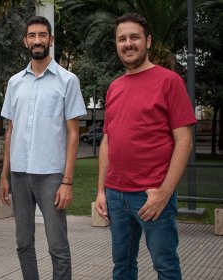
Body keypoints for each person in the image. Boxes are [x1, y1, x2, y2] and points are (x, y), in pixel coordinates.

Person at [95, 13, 196, 280]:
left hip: (151, 195)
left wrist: (164, 193)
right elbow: (108, 140)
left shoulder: (169, 81)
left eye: (134, 37)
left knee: (166, 267)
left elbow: (184, 140)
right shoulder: (114, 87)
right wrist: (101, 191)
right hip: (116, 195)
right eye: (121, 39)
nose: (128, 44)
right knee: (122, 267)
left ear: (148, 41)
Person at [0, 16, 86, 280]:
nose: (37, 40)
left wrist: (67, 181)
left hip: (51, 176)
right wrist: (4, 175)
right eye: (32, 35)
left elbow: (73, 134)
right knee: (23, 243)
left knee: (57, 246)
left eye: (42, 35)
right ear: (25, 40)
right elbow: (10, 130)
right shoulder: (15, 83)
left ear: (50, 39)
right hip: (20, 175)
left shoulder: (68, 80)